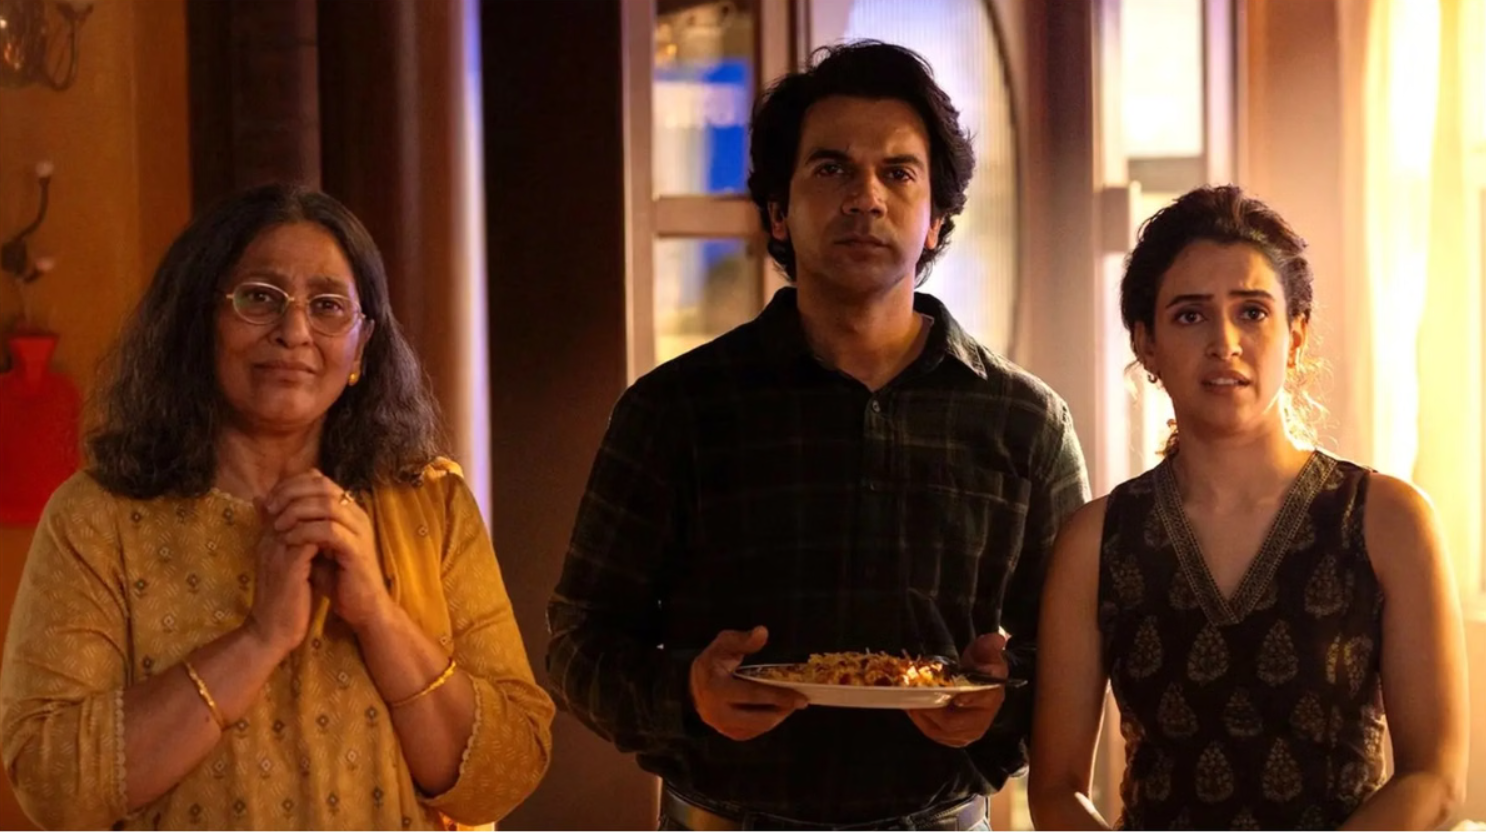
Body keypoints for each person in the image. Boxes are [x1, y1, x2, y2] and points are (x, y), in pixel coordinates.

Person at [548, 41, 1089, 830]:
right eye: (831, 168)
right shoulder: (677, 409)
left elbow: (1076, 652)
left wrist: (1003, 702)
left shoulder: (1025, 423)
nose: (865, 197)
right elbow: (579, 640)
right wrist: (688, 694)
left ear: (936, 219)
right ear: (778, 211)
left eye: (898, 173)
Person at [0, 184, 554, 830]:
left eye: (328, 306)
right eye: (259, 298)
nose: (294, 332)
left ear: (361, 348)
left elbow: (506, 772)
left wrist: (377, 614)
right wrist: (260, 639)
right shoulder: (98, 516)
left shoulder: (432, 506)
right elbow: (53, 782)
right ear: (198, 322)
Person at [1028, 185, 1469, 830]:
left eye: (1253, 312)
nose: (1225, 342)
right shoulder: (1097, 539)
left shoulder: (1388, 521)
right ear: (1146, 344)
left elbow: (1434, 777)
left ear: (1296, 335)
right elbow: (1055, 790)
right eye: (1190, 316)